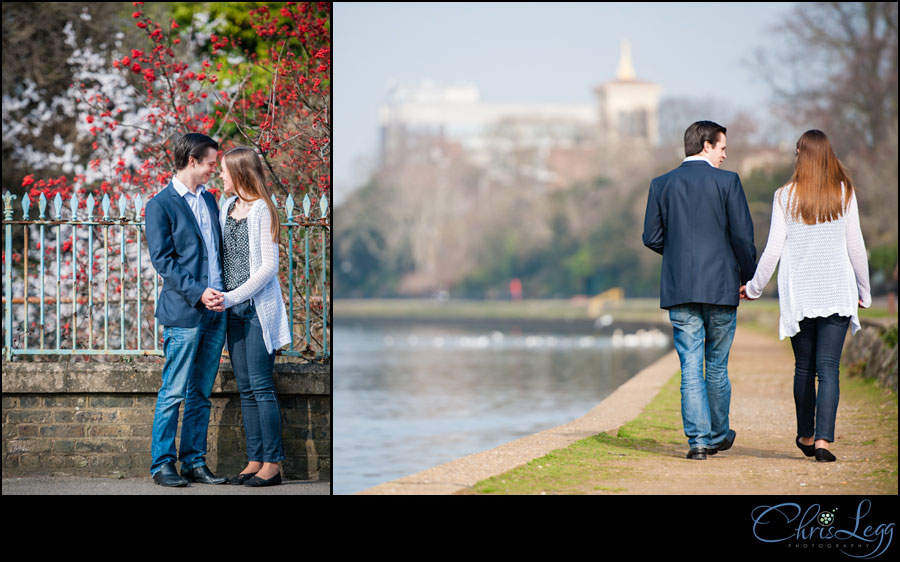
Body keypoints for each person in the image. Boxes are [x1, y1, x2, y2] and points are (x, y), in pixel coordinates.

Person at [741, 129, 871, 463]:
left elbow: (773, 250)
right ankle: (824, 442)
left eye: (798, 151)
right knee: (829, 369)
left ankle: (806, 434)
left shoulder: (784, 195)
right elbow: (855, 245)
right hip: (837, 289)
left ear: (802, 154)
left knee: (804, 368)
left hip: (800, 294)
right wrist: (864, 290)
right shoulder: (843, 193)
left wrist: (754, 287)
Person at [642, 120, 757, 460]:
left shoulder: (661, 184)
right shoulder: (728, 182)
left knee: (691, 366)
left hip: (680, 287)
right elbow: (742, 238)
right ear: (706, 145)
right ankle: (719, 434)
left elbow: (651, 237)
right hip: (722, 286)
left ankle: (698, 443)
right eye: (722, 148)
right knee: (717, 365)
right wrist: (748, 278)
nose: (724, 155)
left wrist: (678, 254)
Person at [145, 132, 229, 486]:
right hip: (184, 312)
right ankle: (162, 464)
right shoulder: (159, 204)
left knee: (201, 393)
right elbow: (163, 261)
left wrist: (223, 294)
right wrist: (199, 293)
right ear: (192, 161)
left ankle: (194, 462)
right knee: (174, 390)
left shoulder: (210, 200)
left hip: (217, 311)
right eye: (211, 163)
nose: (214, 169)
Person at [207, 146, 292, 487]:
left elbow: (268, 269)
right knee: (245, 389)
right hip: (233, 311)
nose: (221, 175)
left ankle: (272, 465)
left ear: (240, 173)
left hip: (256, 312)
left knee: (261, 387)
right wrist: (221, 298)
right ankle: (255, 459)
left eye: (225, 171)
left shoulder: (263, 210)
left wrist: (230, 298)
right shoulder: (226, 206)